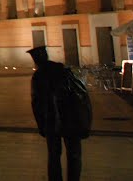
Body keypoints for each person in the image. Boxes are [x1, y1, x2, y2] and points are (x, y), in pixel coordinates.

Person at [28, 45, 87, 181]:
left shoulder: (38, 76)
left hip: (51, 120)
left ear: (37, 60)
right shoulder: (63, 71)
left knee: (54, 155)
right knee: (74, 154)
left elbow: (36, 103)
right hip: (71, 117)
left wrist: (41, 125)